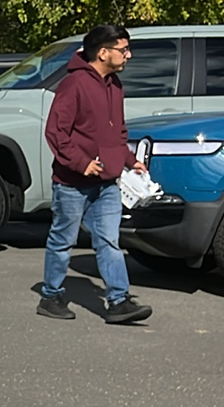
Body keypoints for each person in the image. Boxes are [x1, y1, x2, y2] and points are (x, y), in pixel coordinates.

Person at [37, 24, 152, 323]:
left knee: (109, 241)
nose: (129, 55)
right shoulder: (73, 85)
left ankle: (118, 302)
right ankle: (51, 296)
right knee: (63, 240)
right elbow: (56, 132)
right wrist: (81, 162)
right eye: (123, 49)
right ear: (103, 53)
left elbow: (116, 132)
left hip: (107, 183)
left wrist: (128, 160)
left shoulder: (115, 86)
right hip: (72, 183)